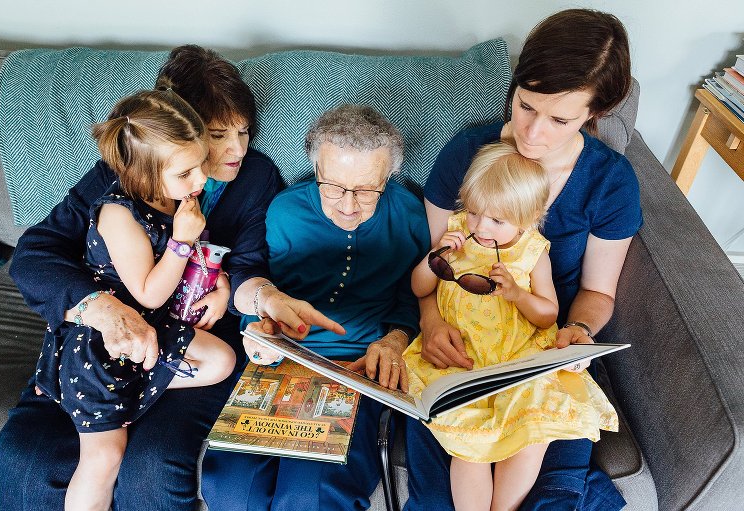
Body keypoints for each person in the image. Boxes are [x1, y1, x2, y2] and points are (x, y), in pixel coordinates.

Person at [0, 45, 341, 511]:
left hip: (189, 343)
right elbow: (35, 253)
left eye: (244, 131)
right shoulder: (124, 176)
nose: (237, 149)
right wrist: (101, 308)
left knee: (152, 466)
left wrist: (258, 296)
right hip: (100, 339)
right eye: (218, 135)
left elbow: (249, 268)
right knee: (25, 460)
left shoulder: (255, 177)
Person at [406, 9, 641, 511]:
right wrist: (429, 321)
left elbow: (597, 292)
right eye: (525, 105)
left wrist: (576, 332)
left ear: (595, 112)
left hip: (539, 349)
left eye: (560, 120)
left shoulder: (609, 182)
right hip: (460, 347)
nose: (531, 133)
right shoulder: (468, 155)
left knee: (550, 494)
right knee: (439, 497)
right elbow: (436, 265)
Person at [201, 104, 431, 510]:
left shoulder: (410, 213)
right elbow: (261, 284)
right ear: (316, 169)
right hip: (282, 362)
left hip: (358, 369)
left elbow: (412, 295)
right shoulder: (285, 210)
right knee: (231, 486)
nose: (348, 206)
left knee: (312, 495)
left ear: (387, 178)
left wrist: (395, 340)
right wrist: (260, 329)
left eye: (366, 190)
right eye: (333, 187)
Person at [39, 89, 237, 511]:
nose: (201, 180)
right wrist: (181, 241)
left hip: (151, 325)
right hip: (104, 340)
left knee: (221, 361)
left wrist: (217, 282)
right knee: (104, 458)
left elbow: (176, 276)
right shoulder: (119, 214)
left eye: (201, 163)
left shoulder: (170, 196)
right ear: (142, 174)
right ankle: (93, 392)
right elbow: (148, 291)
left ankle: (128, 390)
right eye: (185, 173)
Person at [403, 142, 618, 511]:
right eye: (474, 212)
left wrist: (518, 294)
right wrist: (434, 259)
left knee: (531, 435)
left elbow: (548, 314)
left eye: (497, 221)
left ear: (529, 217)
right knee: (469, 446)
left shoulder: (532, 252)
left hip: (517, 356)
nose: (480, 227)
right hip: (463, 357)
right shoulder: (456, 235)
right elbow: (419, 287)